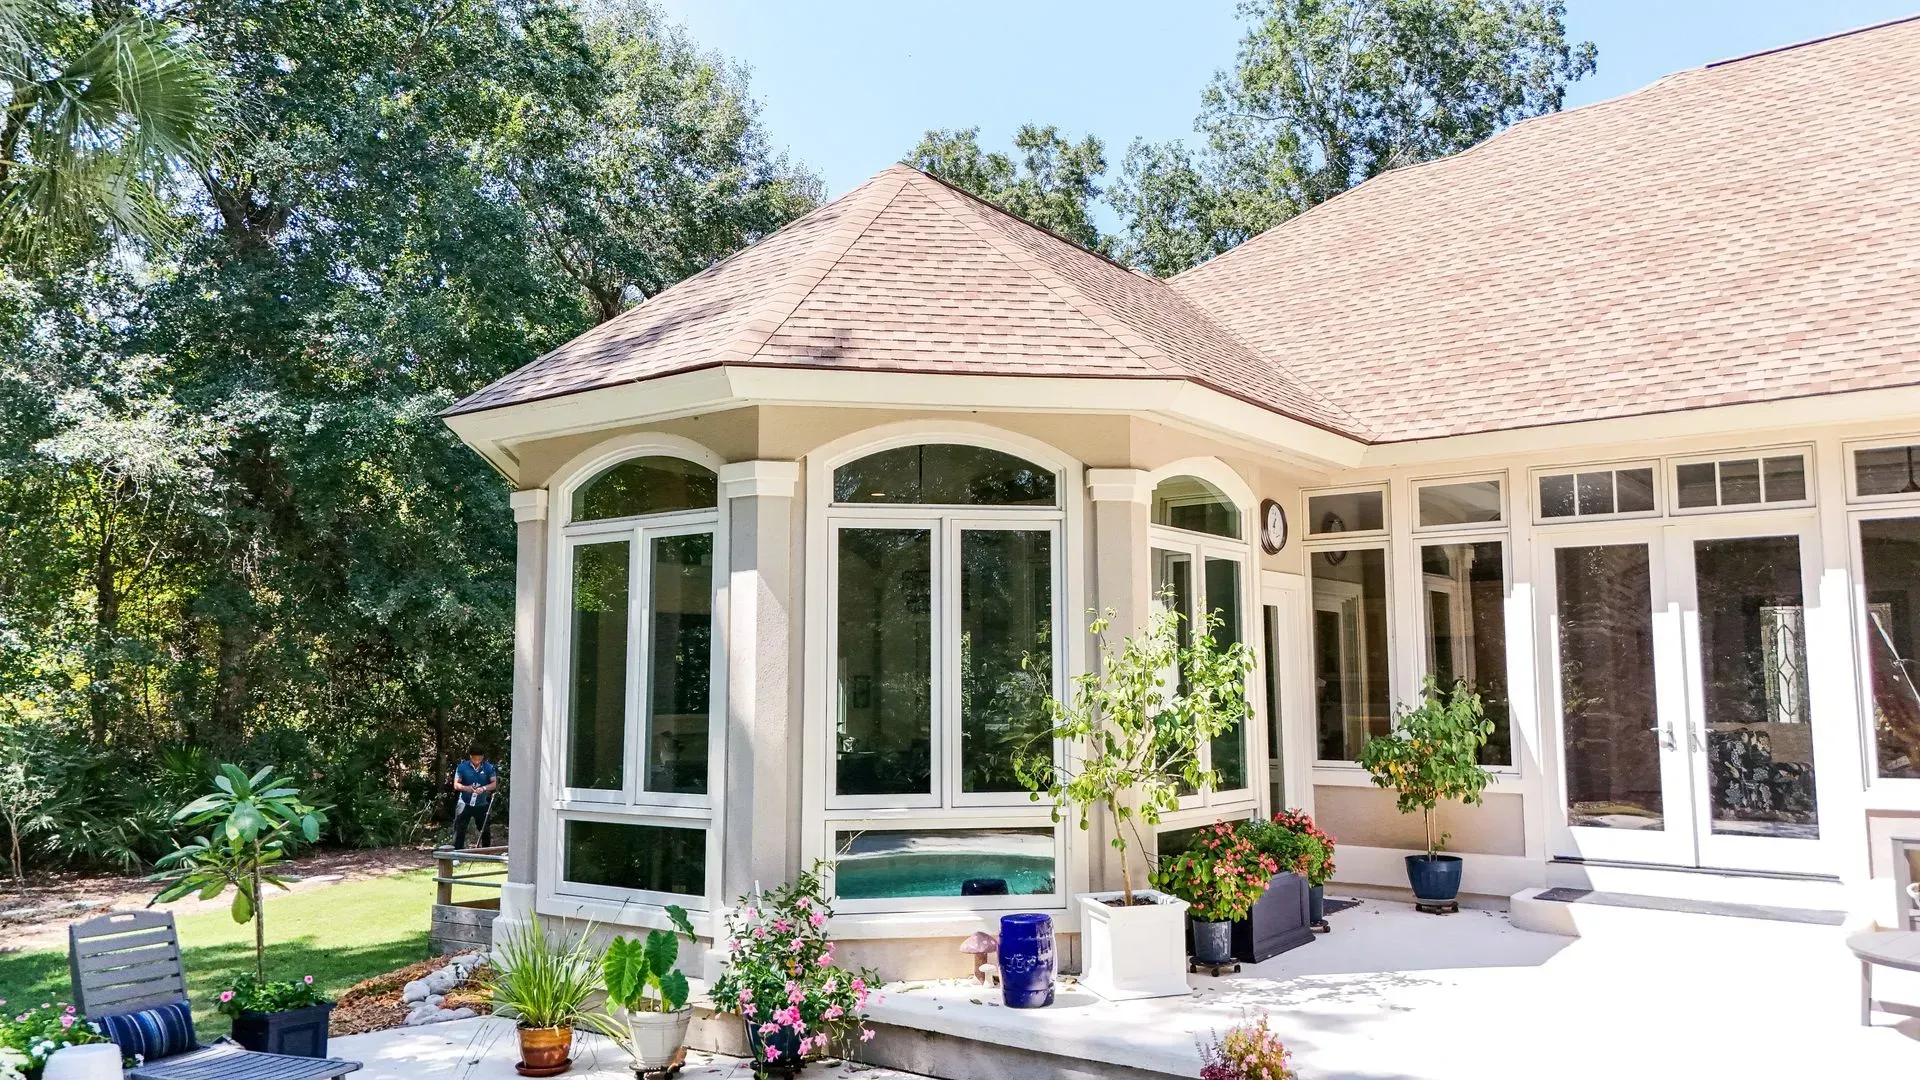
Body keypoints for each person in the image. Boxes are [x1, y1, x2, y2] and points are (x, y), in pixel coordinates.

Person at [451, 746, 500, 850]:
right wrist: (467, 788)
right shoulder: (462, 767)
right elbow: (456, 785)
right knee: (459, 828)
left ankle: (486, 852)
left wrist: (483, 788)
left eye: (479, 758)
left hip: (481, 803)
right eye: (474, 758)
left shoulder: (488, 767)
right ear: (470, 757)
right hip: (464, 802)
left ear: (482, 757)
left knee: (484, 828)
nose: (477, 761)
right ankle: (457, 853)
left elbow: (494, 784)